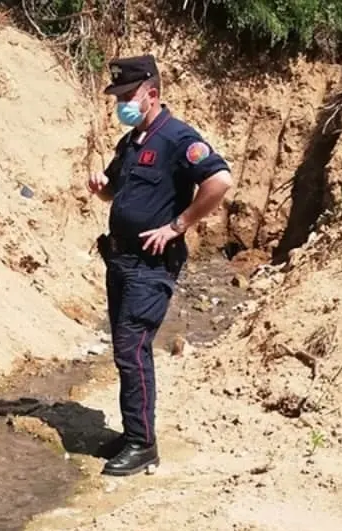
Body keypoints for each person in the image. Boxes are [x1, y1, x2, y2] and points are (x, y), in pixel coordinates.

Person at [86, 54, 234, 477]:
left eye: (127, 96)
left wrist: (178, 225)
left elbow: (219, 180)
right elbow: (114, 193)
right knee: (124, 349)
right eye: (117, 97)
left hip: (151, 266)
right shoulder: (132, 141)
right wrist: (101, 187)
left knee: (132, 350)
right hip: (120, 260)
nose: (121, 104)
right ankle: (134, 431)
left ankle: (142, 444)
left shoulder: (177, 137)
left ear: (152, 94)